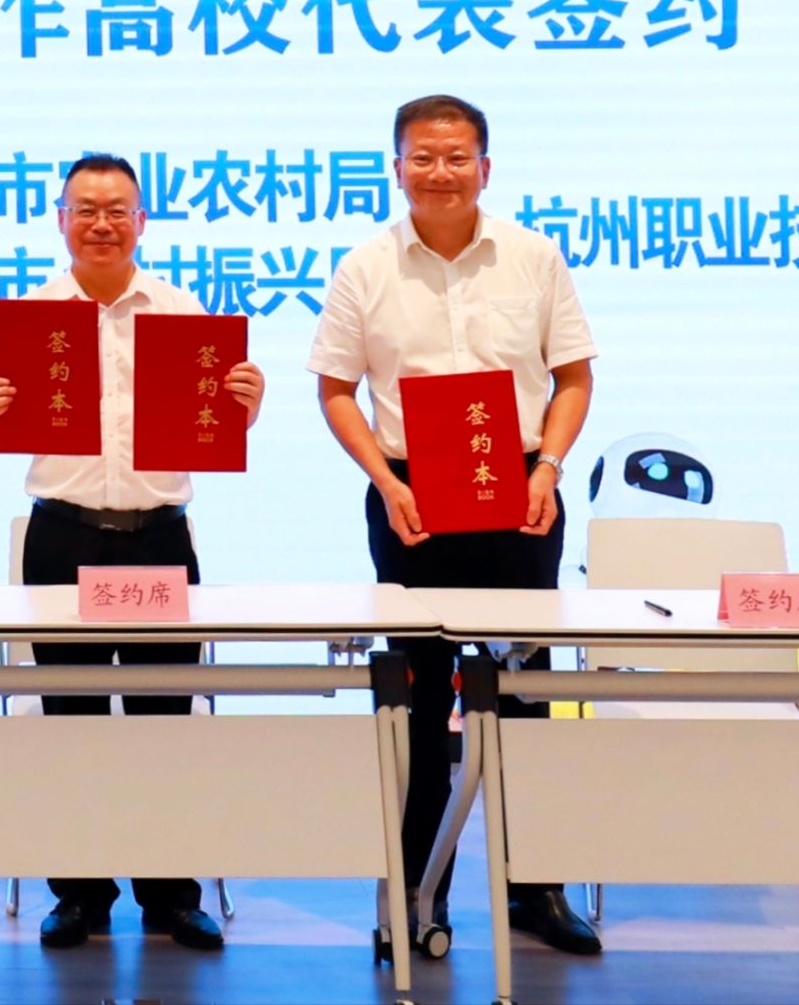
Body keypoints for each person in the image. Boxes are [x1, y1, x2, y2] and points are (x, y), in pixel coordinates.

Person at [305, 94, 601, 955]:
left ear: (485, 167)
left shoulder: (533, 256)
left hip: (520, 493)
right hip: (412, 502)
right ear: (397, 168)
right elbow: (335, 389)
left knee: (523, 696)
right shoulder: (365, 267)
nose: (441, 172)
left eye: (457, 156)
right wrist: (383, 481)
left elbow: (573, 377)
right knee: (420, 701)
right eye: (423, 157)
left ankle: (534, 888)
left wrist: (549, 467)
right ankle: (412, 890)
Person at [0, 153, 264, 953]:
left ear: (142, 221)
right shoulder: (31, 315)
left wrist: (246, 405)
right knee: (74, 721)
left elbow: (213, 422)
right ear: (60, 220)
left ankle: (171, 896)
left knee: (166, 722)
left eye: (117, 209)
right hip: (61, 539)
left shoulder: (179, 309)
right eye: (86, 210)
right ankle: (80, 895)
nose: (102, 224)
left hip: (156, 539)